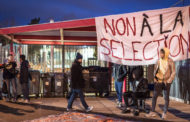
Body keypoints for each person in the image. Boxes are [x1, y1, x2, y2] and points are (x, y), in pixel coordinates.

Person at [146, 48, 176, 119]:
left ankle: (164, 113)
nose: (161, 55)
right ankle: (152, 112)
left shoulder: (170, 61)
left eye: (162, 53)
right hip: (158, 82)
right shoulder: (158, 61)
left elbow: (173, 72)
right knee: (154, 96)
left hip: (166, 82)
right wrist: (155, 78)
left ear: (165, 53)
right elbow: (155, 70)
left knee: (166, 98)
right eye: (160, 53)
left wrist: (169, 80)